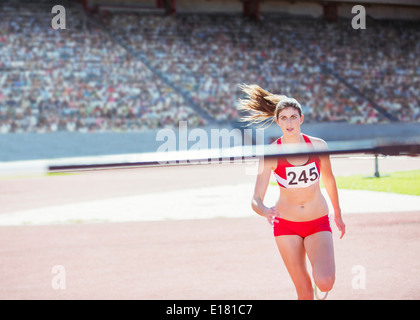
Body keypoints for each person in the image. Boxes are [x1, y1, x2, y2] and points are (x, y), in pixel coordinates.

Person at [238, 84, 346, 300]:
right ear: (277, 121)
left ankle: (318, 282)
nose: (289, 122)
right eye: (284, 118)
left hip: (317, 221)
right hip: (286, 226)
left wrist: (338, 214)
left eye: (293, 117)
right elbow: (255, 199)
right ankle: (309, 288)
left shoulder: (318, 146)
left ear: (301, 119)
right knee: (304, 293)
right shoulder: (270, 154)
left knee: (325, 281)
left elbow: (329, 180)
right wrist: (265, 210)